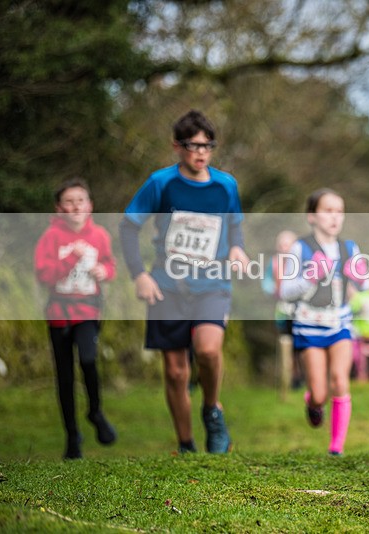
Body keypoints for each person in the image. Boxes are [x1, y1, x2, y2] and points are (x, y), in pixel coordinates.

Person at [119, 110, 249, 454]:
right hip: (168, 286)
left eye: (207, 146)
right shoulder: (161, 183)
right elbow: (129, 226)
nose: (201, 152)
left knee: (208, 349)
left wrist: (237, 249)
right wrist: (139, 275)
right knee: (176, 372)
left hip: (212, 284)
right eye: (193, 145)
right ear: (177, 146)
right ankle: (186, 444)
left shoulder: (226, 185)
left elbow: (234, 225)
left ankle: (212, 410)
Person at [279, 188, 369, 455]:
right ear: (312, 216)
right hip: (308, 325)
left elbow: (363, 284)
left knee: (340, 380)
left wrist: (360, 276)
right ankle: (314, 403)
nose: (335, 217)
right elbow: (285, 290)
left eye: (339, 211)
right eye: (327, 211)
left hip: (340, 323)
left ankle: (336, 447)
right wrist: (310, 276)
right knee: (319, 393)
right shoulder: (301, 247)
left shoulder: (349, 247)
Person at [34, 179, 117, 459]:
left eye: (80, 200)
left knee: (88, 359)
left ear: (90, 205)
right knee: (65, 376)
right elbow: (44, 276)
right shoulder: (51, 238)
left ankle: (95, 412)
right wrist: (72, 259)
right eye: (68, 202)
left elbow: (109, 264)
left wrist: (104, 271)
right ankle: (73, 437)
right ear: (59, 209)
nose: (75, 206)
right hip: (58, 314)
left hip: (88, 312)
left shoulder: (100, 235)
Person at [261, 230, 303, 389]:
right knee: (286, 344)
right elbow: (266, 284)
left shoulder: (302, 263)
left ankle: (303, 375)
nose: (285, 248)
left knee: (301, 345)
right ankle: (290, 378)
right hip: (283, 311)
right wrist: (275, 291)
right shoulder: (274, 263)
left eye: (288, 244)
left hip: (301, 312)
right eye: (282, 245)